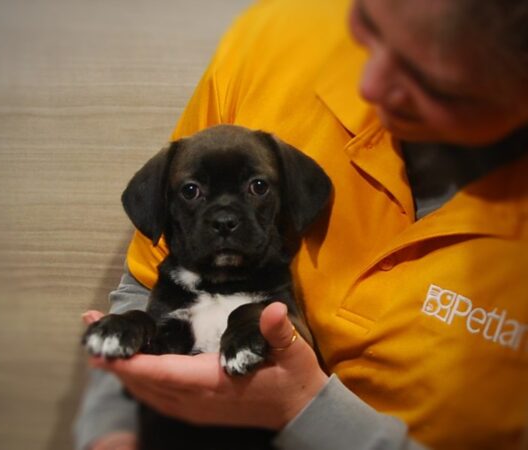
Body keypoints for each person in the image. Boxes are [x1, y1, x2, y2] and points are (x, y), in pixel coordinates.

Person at [74, 0, 528, 448]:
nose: (369, 84)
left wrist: (300, 408)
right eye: (367, 27)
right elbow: (143, 281)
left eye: (432, 81)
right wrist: (111, 433)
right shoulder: (275, 35)